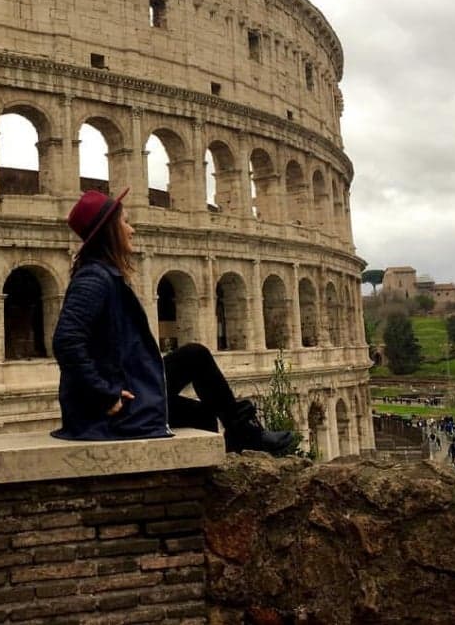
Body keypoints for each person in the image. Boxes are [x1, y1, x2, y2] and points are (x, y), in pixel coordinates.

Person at [51, 188, 294, 455]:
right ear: (109, 231)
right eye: (125, 222)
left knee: (197, 378)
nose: (132, 230)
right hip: (105, 409)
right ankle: (243, 434)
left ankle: (241, 434)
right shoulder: (93, 280)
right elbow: (66, 340)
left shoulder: (102, 275)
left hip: (122, 388)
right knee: (197, 369)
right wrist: (104, 393)